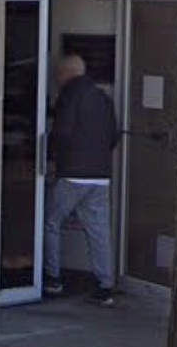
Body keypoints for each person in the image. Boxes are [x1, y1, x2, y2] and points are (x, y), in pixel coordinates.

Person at [43, 53, 120, 306]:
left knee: (51, 222)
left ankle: (52, 278)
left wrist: (51, 157)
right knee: (98, 231)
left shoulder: (69, 95)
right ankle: (105, 286)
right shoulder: (103, 97)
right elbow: (113, 136)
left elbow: (61, 132)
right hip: (100, 176)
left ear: (65, 74)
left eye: (58, 75)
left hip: (73, 174)